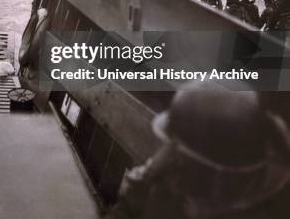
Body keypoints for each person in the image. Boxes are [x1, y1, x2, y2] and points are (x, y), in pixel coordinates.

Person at [109, 81, 290, 219]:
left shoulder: (264, 207)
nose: (169, 158)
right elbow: (129, 206)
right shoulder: (163, 178)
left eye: (182, 160)